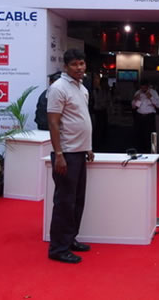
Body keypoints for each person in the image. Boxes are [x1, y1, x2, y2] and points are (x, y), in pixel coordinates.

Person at [47, 49, 94, 264]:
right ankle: (58, 248)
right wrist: (59, 154)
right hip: (66, 153)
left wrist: (88, 147)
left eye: (82, 63)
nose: (79, 67)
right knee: (64, 202)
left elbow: (81, 119)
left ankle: (70, 239)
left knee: (77, 201)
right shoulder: (58, 88)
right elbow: (53, 122)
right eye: (74, 64)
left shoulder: (81, 88)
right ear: (65, 67)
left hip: (79, 152)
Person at [131, 79, 159, 152]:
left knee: (149, 135)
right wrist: (136, 100)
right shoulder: (138, 92)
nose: (143, 89)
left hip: (149, 117)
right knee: (139, 134)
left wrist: (151, 97)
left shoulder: (153, 92)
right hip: (140, 116)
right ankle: (140, 150)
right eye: (142, 88)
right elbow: (134, 107)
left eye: (144, 88)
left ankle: (150, 151)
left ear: (148, 86)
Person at [91, 75, 111, 148]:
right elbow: (96, 100)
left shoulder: (106, 90)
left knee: (104, 125)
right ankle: (97, 142)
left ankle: (103, 140)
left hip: (103, 109)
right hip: (97, 110)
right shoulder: (96, 90)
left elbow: (108, 100)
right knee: (98, 126)